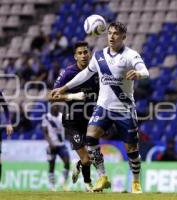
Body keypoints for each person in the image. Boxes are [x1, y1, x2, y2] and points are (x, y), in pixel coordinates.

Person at [52, 22, 149, 193]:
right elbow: (84, 74)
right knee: (90, 138)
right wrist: (65, 88)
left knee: (131, 149)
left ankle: (135, 181)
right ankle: (103, 177)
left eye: (116, 34)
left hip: (124, 109)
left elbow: (145, 71)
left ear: (123, 37)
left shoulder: (130, 55)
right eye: (109, 33)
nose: (111, 36)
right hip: (103, 107)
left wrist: (138, 73)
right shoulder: (99, 56)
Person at [48, 41, 98, 192]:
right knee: (87, 159)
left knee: (91, 157)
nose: (83, 55)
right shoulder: (68, 73)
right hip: (72, 121)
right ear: (75, 56)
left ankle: (78, 165)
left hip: (90, 120)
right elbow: (51, 96)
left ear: (89, 54)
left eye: (85, 52)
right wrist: (73, 96)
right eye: (80, 53)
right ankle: (88, 184)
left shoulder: (96, 72)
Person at [42, 104, 70, 191]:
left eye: (57, 107)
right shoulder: (46, 117)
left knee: (67, 162)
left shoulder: (62, 116)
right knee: (51, 165)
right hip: (52, 145)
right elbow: (45, 132)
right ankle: (52, 186)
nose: (56, 108)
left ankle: (63, 182)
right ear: (51, 108)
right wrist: (50, 143)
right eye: (54, 107)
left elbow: (67, 129)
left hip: (61, 144)